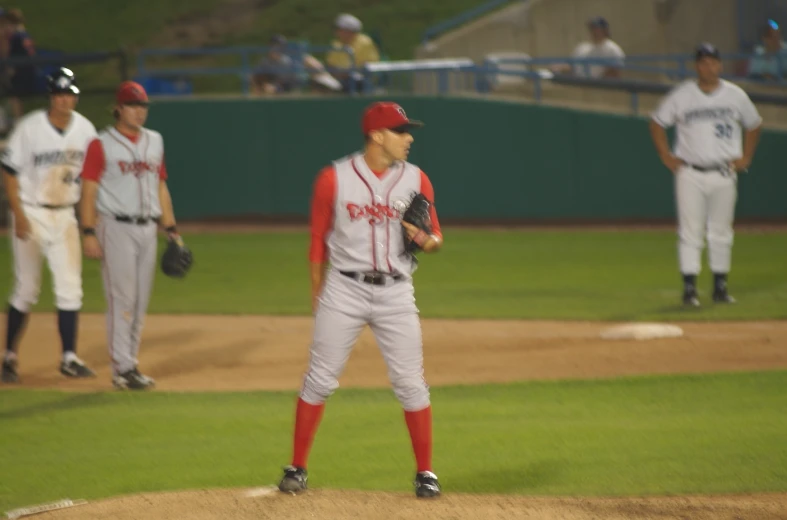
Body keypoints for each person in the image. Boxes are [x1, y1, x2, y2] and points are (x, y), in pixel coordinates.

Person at [276, 101, 443, 499]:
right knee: (319, 379)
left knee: (411, 384)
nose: (409, 138)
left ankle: (425, 473)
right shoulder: (333, 178)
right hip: (344, 289)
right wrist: (319, 294)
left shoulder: (417, 179)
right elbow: (317, 239)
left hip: (397, 291)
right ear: (376, 135)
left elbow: (435, 238)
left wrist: (423, 239)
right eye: (401, 131)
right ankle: (297, 466)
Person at [79, 81, 183, 390]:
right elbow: (88, 191)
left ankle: (130, 364)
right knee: (121, 298)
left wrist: (172, 230)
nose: (139, 112)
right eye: (133, 106)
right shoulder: (101, 143)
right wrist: (87, 231)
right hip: (115, 227)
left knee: (139, 301)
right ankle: (122, 368)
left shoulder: (155, 141)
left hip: (148, 228)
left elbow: (160, 186)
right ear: (119, 108)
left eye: (143, 107)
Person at [0, 67, 98, 383]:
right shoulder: (30, 128)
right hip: (31, 212)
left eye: (70, 94)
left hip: (66, 214)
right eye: (60, 94)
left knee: (71, 289)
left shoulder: (85, 130)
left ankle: (69, 357)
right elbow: (10, 172)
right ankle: (10, 357)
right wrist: (17, 214)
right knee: (27, 288)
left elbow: (92, 178)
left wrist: (89, 225)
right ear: (51, 97)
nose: (65, 100)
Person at [649, 43, 763, 307]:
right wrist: (665, 155)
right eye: (703, 62)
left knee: (721, 231)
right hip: (690, 171)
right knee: (691, 231)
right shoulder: (682, 95)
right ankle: (690, 288)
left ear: (720, 65)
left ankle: (720, 287)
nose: (708, 66)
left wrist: (746, 157)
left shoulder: (735, 95)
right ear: (696, 66)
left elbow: (754, 124)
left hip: (723, 171)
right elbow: (657, 122)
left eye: (712, 62)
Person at [551, 17, 625, 79]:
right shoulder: (583, 47)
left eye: (597, 28)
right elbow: (572, 66)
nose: (594, 31)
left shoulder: (612, 48)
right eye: (592, 29)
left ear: (605, 30)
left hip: (599, 87)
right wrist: (559, 67)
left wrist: (597, 83)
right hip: (579, 85)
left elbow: (615, 71)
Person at [325, 13, 380, 92]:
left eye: (340, 29)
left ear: (350, 31)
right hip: (336, 79)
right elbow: (330, 65)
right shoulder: (336, 44)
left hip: (359, 80)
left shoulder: (365, 42)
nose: (337, 32)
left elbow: (368, 65)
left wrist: (346, 73)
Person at [4, 8, 37, 122]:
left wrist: (10, 73)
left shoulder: (16, 37)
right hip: (29, 70)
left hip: (21, 72)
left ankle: (18, 121)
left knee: (14, 96)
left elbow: (13, 58)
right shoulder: (25, 34)